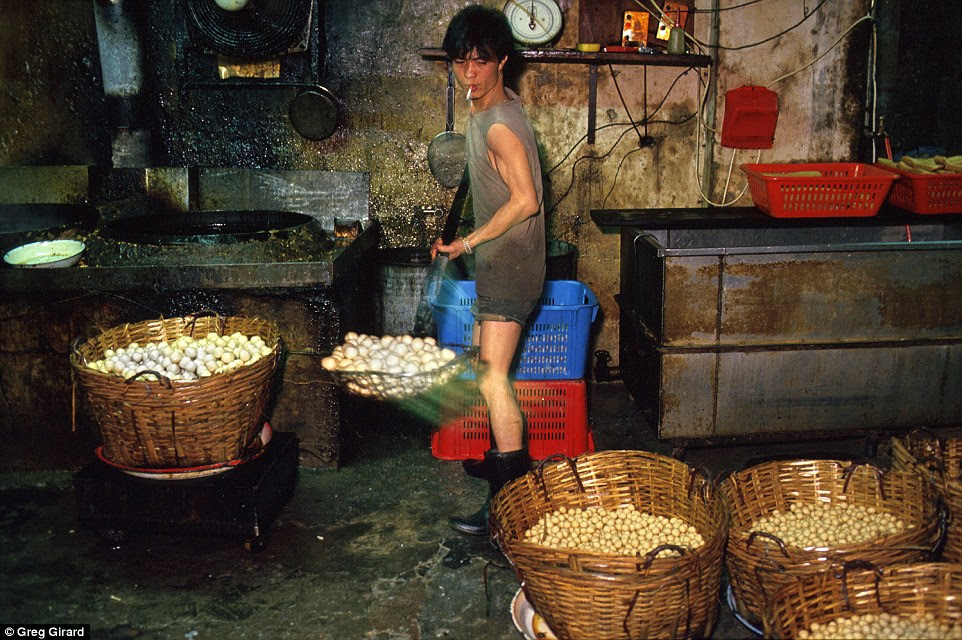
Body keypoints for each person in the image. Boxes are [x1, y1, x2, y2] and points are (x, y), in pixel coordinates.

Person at [432, 5, 546, 536]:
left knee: (494, 378)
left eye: (480, 63)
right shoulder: (494, 107)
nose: (469, 74)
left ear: (502, 60)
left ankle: (509, 501)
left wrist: (466, 242)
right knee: (485, 362)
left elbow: (525, 201)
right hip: (502, 262)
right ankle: (501, 458)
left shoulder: (499, 125)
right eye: (461, 63)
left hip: (510, 264)